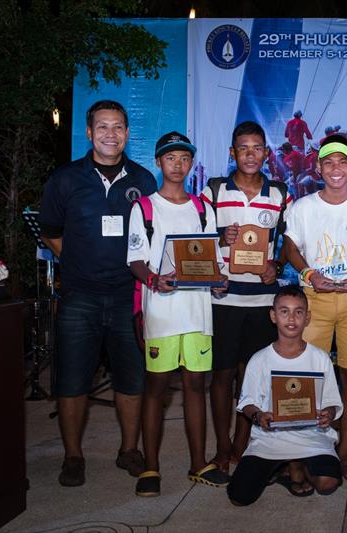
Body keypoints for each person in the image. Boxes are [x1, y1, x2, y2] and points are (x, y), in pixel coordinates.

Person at [40, 100, 156, 487]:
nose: (111, 134)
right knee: (72, 380)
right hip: (79, 296)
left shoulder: (143, 180)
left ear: (127, 132)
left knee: (132, 378)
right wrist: (78, 262)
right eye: (102, 127)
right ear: (89, 133)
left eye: (118, 127)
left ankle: (128, 450)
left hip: (129, 296)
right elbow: (51, 232)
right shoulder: (65, 179)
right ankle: (73, 457)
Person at [127, 132, 229, 496]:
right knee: (156, 388)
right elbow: (136, 259)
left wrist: (219, 281)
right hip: (163, 312)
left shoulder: (203, 207)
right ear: (159, 162)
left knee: (196, 387)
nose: (177, 164)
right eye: (170, 158)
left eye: (184, 159)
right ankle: (150, 468)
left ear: (191, 164)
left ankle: (199, 463)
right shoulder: (145, 208)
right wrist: (154, 279)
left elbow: (211, 258)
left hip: (199, 312)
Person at [283, 134, 347, 481]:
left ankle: (343, 453)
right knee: (308, 378)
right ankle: (306, 451)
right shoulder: (302, 207)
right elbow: (291, 249)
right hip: (314, 301)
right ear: (318, 168)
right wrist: (310, 274)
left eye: (342, 162)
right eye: (328, 163)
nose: (336, 169)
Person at [200, 121, 292, 474]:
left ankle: (241, 444)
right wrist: (221, 239)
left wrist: (277, 264)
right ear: (231, 153)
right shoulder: (213, 191)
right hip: (223, 299)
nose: (250, 155)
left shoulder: (280, 194)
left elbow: (290, 242)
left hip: (261, 301)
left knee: (250, 377)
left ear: (267, 154)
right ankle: (222, 447)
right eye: (243, 148)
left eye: (257, 148)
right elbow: (197, 238)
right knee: (221, 376)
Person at [227, 285, 344, 505]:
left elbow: (332, 402)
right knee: (239, 496)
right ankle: (282, 465)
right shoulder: (259, 359)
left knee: (328, 483)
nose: (291, 318)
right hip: (270, 439)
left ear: (307, 318)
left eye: (298, 312)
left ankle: (297, 463)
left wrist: (328, 413)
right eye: (284, 311)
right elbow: (247, 403)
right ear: (273, 316)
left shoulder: (320, 358)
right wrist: (258, 415)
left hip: (311, 436)